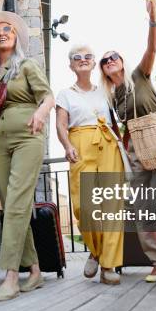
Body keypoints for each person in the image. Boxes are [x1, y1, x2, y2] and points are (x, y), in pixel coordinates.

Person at [99, 0, 156, 283]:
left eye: (114, 56)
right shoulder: (110, 97)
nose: (110, 61)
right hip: (135, 150)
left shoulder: (139, 75)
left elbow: (152, 48)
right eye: (105, 60)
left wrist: (153, 17)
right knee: (141, 207)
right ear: (104, 69)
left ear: (122, 61)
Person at [0, 11, 55, 301]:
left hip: (28, 137)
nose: (1, 33)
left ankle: (11, 276)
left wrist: (39, 114)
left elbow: (48, 97)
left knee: (18, 203)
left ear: (15, 36)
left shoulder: (26, 65)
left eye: (7, 29)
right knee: (11, 204)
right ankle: (34, 270)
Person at [55, 45, 127, 285]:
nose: (83, 60)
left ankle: (108, 265)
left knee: (111, 206)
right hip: (79, 143)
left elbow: (124, 112)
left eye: (88, 56)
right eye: (77, 57)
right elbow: (60, 125)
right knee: (84, 207)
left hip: (107, 144)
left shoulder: (106, 91)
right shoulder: (65, 93)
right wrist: (67, 145)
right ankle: (95, 251)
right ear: (71, 65)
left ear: (94, 62)